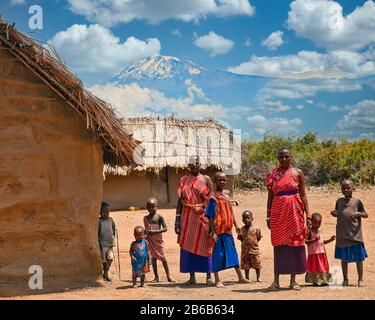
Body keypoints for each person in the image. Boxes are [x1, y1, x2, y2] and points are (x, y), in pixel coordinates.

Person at [266, 148, 311, 291]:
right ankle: (276, 281)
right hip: (278, 213)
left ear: (291, 157)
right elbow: (270, 197)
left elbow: (303, 194)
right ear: (277, 157)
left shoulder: (298, 173)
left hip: (295, 212)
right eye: (281, 157)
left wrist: (308, 214)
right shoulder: (272, 174)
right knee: (279, 245)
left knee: (295, 245)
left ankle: (293, 281)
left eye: (286, 157)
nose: (284, 159)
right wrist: (268, 215)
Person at [175, 155, 214, 285]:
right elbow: (180, 201)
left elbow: (211, 200)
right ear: (189, 165)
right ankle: (192, 276)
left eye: (197, 163)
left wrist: (210, 217)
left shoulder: (206, 179)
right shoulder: (184, 180)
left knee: (206, 245)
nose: (195, 165)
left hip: (203, 217)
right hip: (187, 218)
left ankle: (209, 276)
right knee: (188, 245)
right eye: (193, 163)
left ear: (200, 164)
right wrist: (177, 220)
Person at [205, 172, 249, 287]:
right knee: (217, 254)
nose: (222, 182)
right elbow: (210, 216)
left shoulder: (227, 196)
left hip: (227, 230)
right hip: (217, 231)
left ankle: (240, 277)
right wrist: (213, 233)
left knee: (232, 252)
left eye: (224, 180)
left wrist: (236, 225)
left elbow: (231, 212)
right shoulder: (212, 198)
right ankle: (217, 279)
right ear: (215, 181)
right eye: (219, 180)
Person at [331, 179, 368, 287]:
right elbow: (337, 213)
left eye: (348, 188)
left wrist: (358, 214)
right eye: (343, 188)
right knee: (344, 259)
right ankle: (345, 279)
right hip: (342, 235)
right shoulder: (339, 201)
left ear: (353, 188)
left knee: (359, 258)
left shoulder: (357, 202)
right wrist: (333, 213)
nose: (346, 190)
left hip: (355, 235)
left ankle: (360, 279)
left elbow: (365, 214)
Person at [143, 197, 174, 283]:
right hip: (150, 241)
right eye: (149, 207)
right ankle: (156, 277)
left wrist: (155, 231)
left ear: (157, 207)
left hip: (158, 240)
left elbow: (165, 228)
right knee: (153, 259)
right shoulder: (145, 218)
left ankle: (169, 276)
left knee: (163, 258)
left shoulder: (159, 217)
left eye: (153, 207)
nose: (151, 209)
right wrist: (144, 236)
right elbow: (146, 230)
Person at [305, 213, 335, 286]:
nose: (317, 225)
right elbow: (306, 241)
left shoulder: (320, 232)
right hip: (313, 254)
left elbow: (321, 242)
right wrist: (314, 240)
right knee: (314, 267)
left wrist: (330, 240)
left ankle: (324, 280)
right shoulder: (309, 232)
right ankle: (314, 281)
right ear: (311, 222)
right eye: (315, 223)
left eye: (319, 223)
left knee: (322, 267)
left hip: (321, 253)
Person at [238, 210, 262, 282]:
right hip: (245, 251)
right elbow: (241, 238)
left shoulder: (256, 229)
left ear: (252, 219)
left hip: (254, 250)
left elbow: (258, 237)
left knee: (257, 263)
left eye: (248, 218)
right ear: (242, 220)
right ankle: (247, 277)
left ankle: (258, 277)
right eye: (244, 218)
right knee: (246, 265)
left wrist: (253, 244)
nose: (246, 220)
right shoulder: (242, 229)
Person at [98, 202, 116, 282]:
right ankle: (105, 273)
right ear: (100, 212)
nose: (106, 213)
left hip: (110, 243)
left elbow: (113, 229)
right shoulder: (99, 221)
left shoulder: (111, 220)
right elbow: (98, 232)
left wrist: (113, 239)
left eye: (107, 212)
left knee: (110, 258)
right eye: (104, 212)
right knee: (104, 260)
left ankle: (106, 271)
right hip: (102, 244)